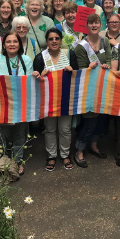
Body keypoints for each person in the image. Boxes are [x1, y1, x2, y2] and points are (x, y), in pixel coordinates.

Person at [0, 32, 33, 174]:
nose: (12, 44)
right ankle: (2, 161)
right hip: (1, 103)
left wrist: (35, 75)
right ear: (4, 44)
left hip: (21, 103)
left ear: (19, 43)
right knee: (0, 135)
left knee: (20, 134)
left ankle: (17, 161)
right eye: (9, 42)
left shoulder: (26, 60)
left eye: (15, 42)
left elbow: (29, 81)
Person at [73, 14, 115, 167]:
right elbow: (80, 70)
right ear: (87, 26)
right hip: (88, 89)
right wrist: (88, 68)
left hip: (104, 87)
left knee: (101, 120)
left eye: (97, 22)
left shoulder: (105, 41)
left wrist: (107, 66)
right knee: (90, 122)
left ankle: (94, 145)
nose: (94, 25)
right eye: (91, 23)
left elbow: (109, 59)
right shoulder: (80, 46)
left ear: (101, 24)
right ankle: (79, 150)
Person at [33, 28, 77, 171]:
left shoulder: (69, 54)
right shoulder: (40, 57)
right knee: (50, 129)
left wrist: (72, 72)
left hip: (66, 99)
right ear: (46, 42)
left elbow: (78, 77)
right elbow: (36, 81)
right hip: (48, 101)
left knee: (65, 129)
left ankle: (65, 155)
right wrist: (41, 74)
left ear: (61, 40)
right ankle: (51, 156)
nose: (54, 41)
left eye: (57, 38)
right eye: (51, 39)